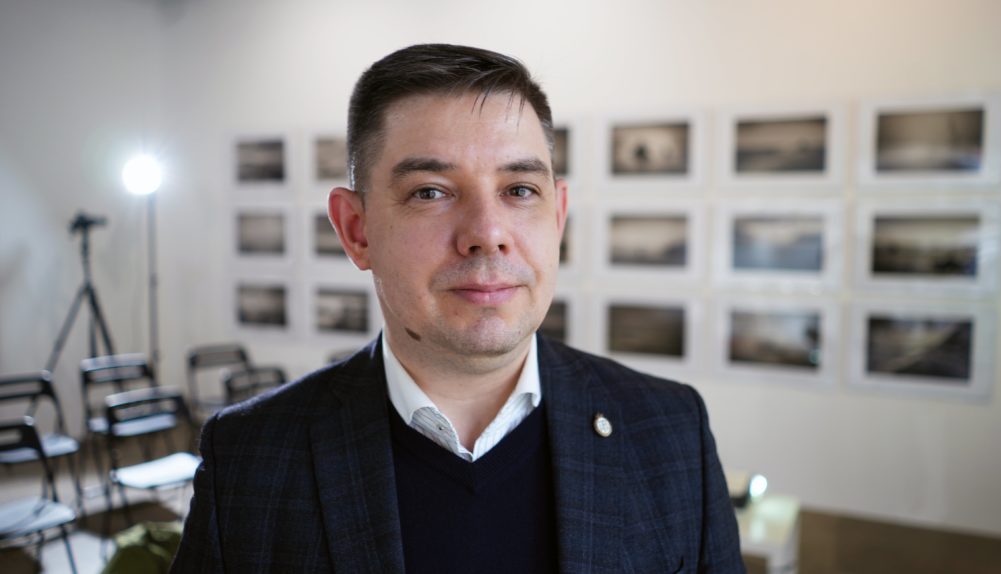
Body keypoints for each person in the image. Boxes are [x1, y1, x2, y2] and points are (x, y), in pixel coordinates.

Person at [171, 43, 743, 573]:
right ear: (356, 230)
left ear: (558, 215)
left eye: (519, 190)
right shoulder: (250, 459)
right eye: (431, 192)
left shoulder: (672, 430)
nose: (487, 233)